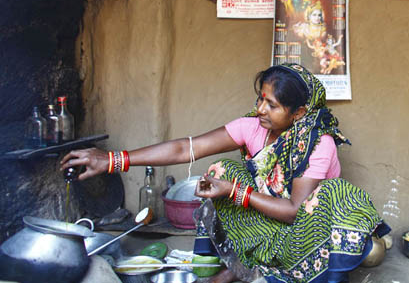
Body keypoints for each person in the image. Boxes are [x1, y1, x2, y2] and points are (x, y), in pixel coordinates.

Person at [61, 63, 389, 283]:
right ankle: (234, 268)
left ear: (299, 112)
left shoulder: (318, 144)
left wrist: (232, 191)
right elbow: (185, 149)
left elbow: (293, 213)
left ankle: (289, 274)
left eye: (272, 105)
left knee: (337, 195)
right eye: (260, 99)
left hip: (303, 234)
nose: (260, 109)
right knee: (223, 168)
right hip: (264, 223)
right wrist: (111, 160)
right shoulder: (253, 126)